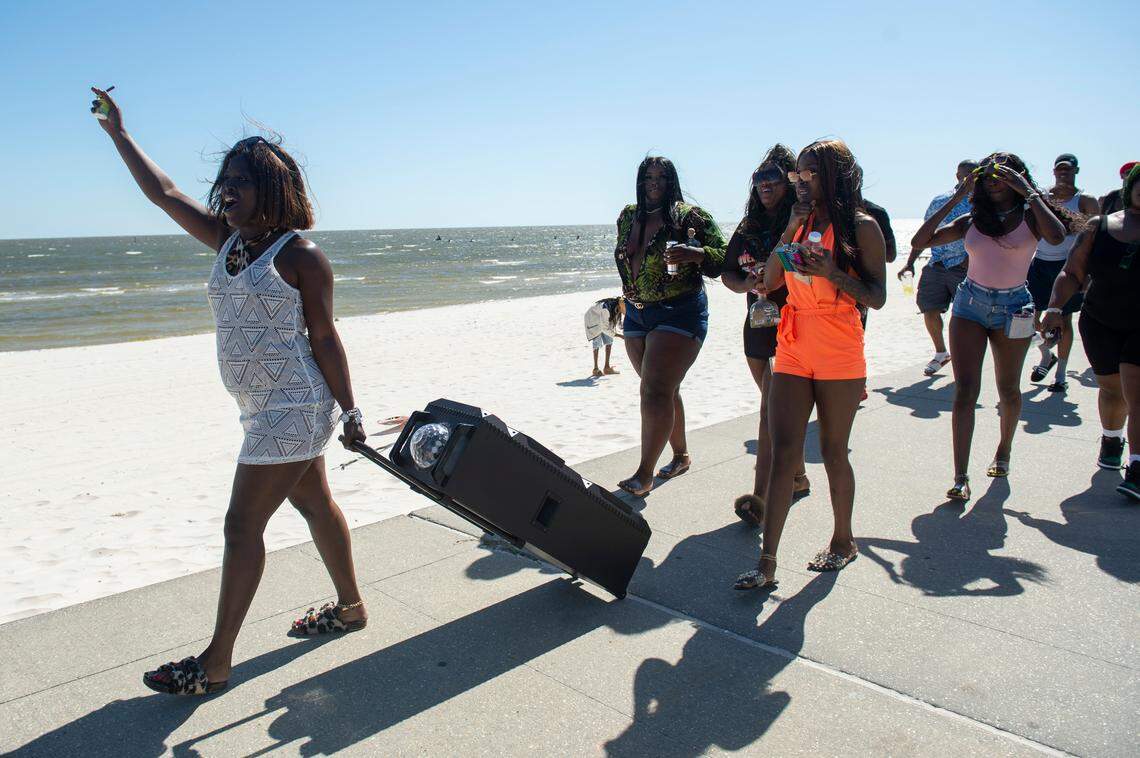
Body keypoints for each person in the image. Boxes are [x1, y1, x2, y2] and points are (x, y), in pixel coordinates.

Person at [91, 88, 371, 696]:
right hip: (257, 409)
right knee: (315, 504)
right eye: (225, 180)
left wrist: (350, 409)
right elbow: (163, 193)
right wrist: (119, 135)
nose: (227, 190)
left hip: (295, 406)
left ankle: (216, 663)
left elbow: (325, 337)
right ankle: (350, 608)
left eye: (241, 181)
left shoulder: (301, 255)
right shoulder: (228, 242)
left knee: (241, 526)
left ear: (272, 188)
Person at [734, 139, 887, 590]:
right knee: (784, 453)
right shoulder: (797, 224)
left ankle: (843, 540)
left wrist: (833, 274)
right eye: (798, 174)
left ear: (836, 175)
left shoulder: (863, 226)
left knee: (834, 452)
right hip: (795, 342)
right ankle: (767, 562)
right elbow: (771, 280)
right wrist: (788, 232)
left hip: (839, 343)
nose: (801, 182)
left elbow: (876, 297)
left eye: (811, 173)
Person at [911, 152, 1078, 502]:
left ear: (1017, 179)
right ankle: (960, 475)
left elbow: (1057, 235)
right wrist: (959, 197)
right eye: (988, 175)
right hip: (969, 304)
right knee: (965, 391)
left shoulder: (1031, 218)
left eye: (1003, 174)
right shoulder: (973, 220)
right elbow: (920, 241)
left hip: (1014, 307)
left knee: (1009, 391)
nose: (993, 179)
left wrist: (1028, 191)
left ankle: (1003, 451)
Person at [613, 156, 727, 496]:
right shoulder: (628, 216)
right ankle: (680, 456)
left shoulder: (690, 217)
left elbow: (724, 257)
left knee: (654, 391)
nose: (654, 182)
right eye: (649, 176)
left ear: (671, 180)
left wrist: (696, 254)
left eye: (662, 177)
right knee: (663, 389)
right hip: (636, 313)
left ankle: (643, 475)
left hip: (679, 312)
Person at [720, 145, 810, 526]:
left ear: (789, 183)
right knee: (775, 407)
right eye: (760, 179)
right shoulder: (747, 227)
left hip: (795, 321)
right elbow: (727, 273)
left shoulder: (802, 220)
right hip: (757, 323)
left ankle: (761, 496)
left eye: (775, 178)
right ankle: (799, 477)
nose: (766, 185)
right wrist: (746, 284)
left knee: (771, 408)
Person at [1042, 163, 1140, 498]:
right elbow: (1071, 272)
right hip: (1100, 319)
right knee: (1112, 391)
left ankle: (1137, 467)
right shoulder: (1100, 226)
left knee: (1136, 391)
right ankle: (1112, 438)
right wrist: (1055, 308)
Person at [898, 160, 979, 377]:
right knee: (929, 309)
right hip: (936, 264)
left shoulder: (984, 202)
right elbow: (925, 233)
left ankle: (966, 359)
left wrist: (970, 261)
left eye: (973, 173)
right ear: (957, 176)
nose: (968, 178)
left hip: (964, 267)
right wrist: (910, 262)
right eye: (964, 174)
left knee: (965, 317)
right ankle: (941, 353)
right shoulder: (941, 201)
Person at [1026, 154, 1098, 392]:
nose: (1063, 174)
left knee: (1064, 320)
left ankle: (1060, 375)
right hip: (1040, 264)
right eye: (1059, 170)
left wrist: (1089, 273)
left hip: (1068, 267)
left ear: (1076, 171)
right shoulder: (1043, 197)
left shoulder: (1085, 200)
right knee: (1030, 318)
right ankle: (1047, 355)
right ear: (1053, 171)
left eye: (1068, 170)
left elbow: (1096, 234)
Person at [584, 296, 624, 377]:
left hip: (602, 319)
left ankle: (607, 368)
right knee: (597, 342)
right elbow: (604, 329)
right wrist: (619, 336)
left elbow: (613, 325)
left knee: (609, 340)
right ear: (619, 306)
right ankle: (595, 369)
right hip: (592, 318)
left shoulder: (615, 308)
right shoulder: (607, 309)